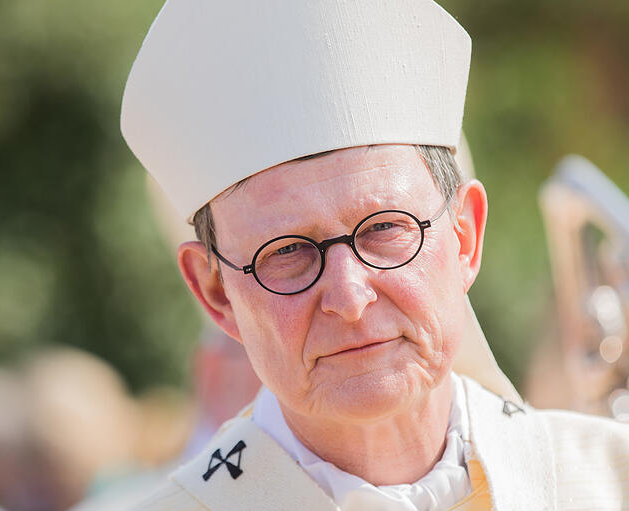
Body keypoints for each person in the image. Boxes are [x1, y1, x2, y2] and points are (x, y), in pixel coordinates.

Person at [119, 0, 629, 509]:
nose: (349, 296)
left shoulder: (608, 480)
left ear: (465, 236)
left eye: (384, 228)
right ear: (215, 292)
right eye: (288, 251)